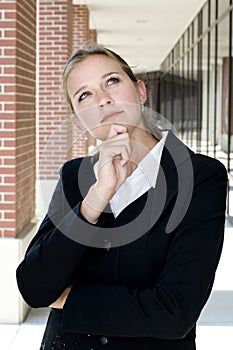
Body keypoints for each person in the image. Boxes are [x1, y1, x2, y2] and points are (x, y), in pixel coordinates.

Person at [16, 44, 228, 350]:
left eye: (111, 81)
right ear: (80, 123)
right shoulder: (75, 177)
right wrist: (96, 198)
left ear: (141, 92)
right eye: (84, 95)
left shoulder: (199, 177)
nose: (102, 99)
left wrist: (71, 298)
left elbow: (175, 313)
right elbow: (34, 288)